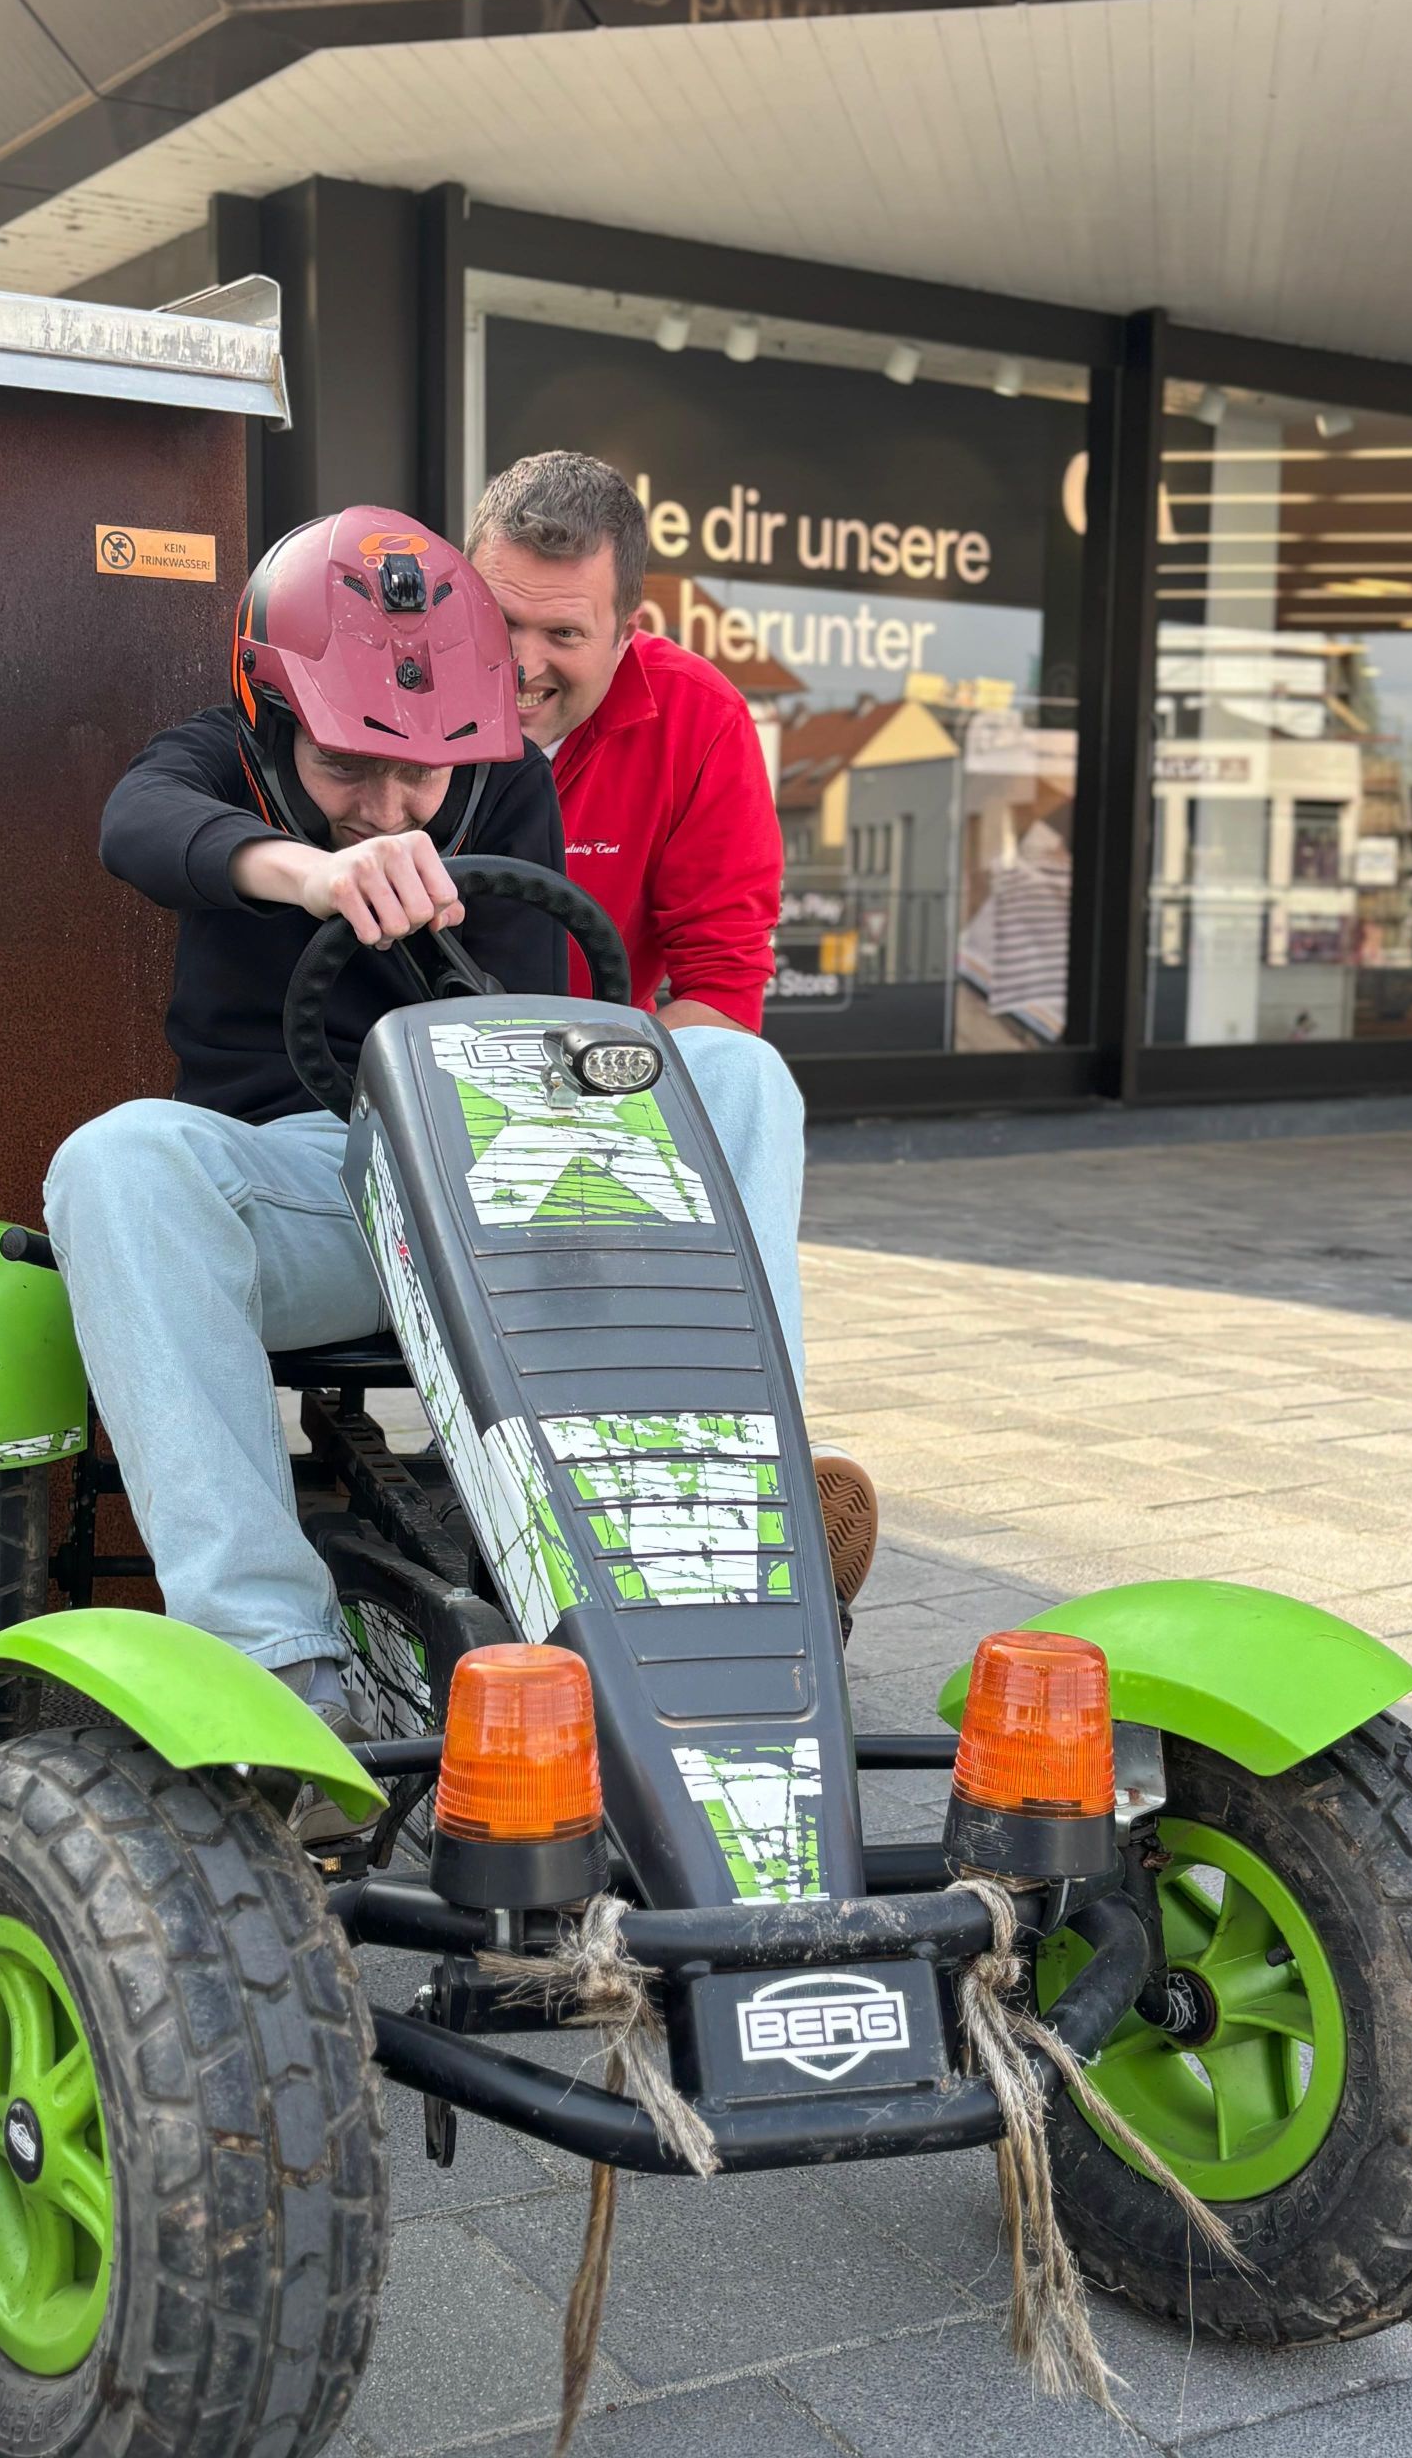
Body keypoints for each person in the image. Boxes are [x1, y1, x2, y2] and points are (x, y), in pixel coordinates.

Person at [44, 509, 565, 1740]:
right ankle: (273, 1666)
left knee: (741, 1076)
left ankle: (735, 1549)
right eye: (347, 767)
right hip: (303, 1183)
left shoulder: (510, 783)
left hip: (479, 1176)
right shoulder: (209, 762)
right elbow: (136, 823)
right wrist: (309, 871)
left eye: (420, 776)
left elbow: (519, 1028)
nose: (389, 808)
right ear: (268, 722)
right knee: (112, 1161)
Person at [469, 451, 878, 1599]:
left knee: (741, 1074)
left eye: (562, 635)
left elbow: (715, 976)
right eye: (503, 623)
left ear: (628, 623)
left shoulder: (696, 716)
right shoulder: (400, 698)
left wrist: (599, 1139)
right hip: (410, 1089)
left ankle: (765, 1473)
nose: (524, 663)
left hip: (596, 1087)